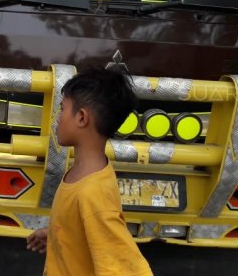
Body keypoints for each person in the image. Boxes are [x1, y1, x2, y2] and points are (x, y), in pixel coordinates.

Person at [26, 67, 153, 276]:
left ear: (82, 118)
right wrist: (60, 235)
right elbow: (88, 227)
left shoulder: (93, 193)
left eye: (62, 108)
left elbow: (123, 268)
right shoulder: (83, 174)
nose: (57, 117)